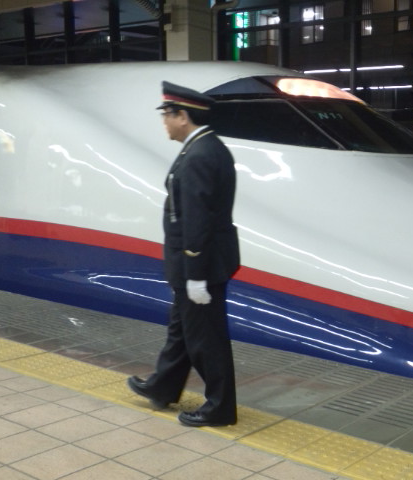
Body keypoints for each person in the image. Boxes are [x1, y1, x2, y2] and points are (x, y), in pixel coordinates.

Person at [127, 81, 240, 427]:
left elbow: (196, 219)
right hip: (200, 261)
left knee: (206, 338)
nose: (164, 121)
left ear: (183, 116)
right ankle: (162, 385)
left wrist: (195, 273)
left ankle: (220, 407)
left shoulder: (200, 156)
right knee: (182, 330)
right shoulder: (205, 148)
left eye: (167, 114)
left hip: (200, 263)